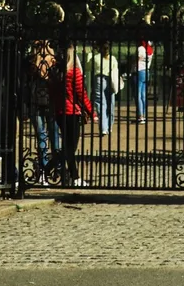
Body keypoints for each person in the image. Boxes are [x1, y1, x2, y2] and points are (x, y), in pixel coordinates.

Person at [52, 45, 94, 187]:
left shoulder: (58, 72)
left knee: (67, 146)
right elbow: (82, 94)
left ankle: (68, 175)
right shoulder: (74, 72)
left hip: (60, 112)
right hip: (72, 112)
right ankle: (71, 176)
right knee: (70, 147)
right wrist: (91, 112)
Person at [26, 41, 61, 183]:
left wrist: (48, 52)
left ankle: (56, 168)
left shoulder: (54, 60)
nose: (43, 48)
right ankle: (44, 168)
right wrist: (38, 55)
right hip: (36, 103)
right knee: (41, 136)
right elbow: (36, 72)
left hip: (51, 103)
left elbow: (50, 76)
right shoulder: (32, 60)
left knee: (54, 136)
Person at [85, 41, 119, 135]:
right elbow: (116, 70)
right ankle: (109, 125)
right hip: (111, 79)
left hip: (99, 79)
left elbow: (87, 67)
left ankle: (104, 127)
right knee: (110, 103)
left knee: (100, 103)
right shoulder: (113, 58)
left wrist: (89, 54)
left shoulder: (95, 58)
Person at [134, 38, 153, 124]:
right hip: (146, 71)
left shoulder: (141, 48)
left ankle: (141, 116)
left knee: (138, 94)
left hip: (139, 70)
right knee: (143, 94)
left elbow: (137, 59)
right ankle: (144, 115)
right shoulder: (150, 50)